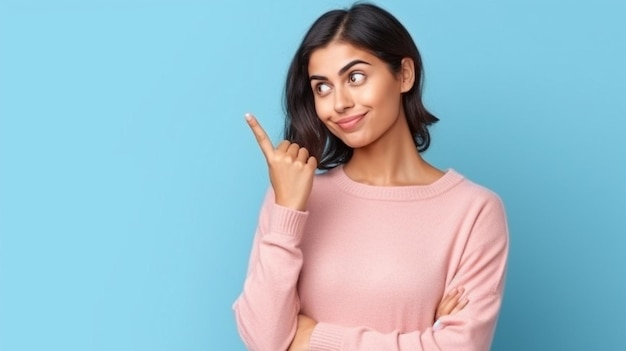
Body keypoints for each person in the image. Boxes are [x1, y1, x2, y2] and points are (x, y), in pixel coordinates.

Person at [233, 3, 509, 351]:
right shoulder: (292, 198)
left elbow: (459, 347)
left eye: (355, 77)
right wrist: (287, 212)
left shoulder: (474, 211)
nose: (339, 103)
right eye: (322, 88)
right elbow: (263, 340)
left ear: (404, 74)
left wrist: (312, 339)